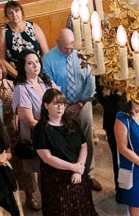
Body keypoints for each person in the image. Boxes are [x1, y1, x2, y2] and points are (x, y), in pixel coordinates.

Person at [34, 87, 100, 216]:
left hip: (77, 174)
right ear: (46, 105)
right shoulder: (41, 129)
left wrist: (79, 171)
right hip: (55, 178)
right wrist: (73, 168)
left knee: (79, 210)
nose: (60, 107)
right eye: (56, 104)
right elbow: (47, 157)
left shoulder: (72, 122)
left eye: (62, 103)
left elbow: (84, 146)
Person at [42, 27, 103, 192]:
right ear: (57, 43)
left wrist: (81, 104)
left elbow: (90, 81)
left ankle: (88, 174)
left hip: (83, 104)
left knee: (86, 140)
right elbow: (50, 85)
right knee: (66, 142)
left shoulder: (82, 53)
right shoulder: (48, 59)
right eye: (65, 48)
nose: (69, 50)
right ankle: (70, 172)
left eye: (71, 47)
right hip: (60, 107)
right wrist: (63, 106)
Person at [11, 50, 57, 210]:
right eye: (30, 63)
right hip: (37, 135)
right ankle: (47, 202)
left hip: (53, 132)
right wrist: (50, 128)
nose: (35, 65)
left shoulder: (46, 81)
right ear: (23, 67)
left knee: (53, 168)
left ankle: (54, 198)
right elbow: (27, 119)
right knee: (42, 170)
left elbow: (60, 99)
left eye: (36, 61)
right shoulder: (21, 88)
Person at [0, 0, 48, 79]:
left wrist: (38, 72)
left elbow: (46, 53)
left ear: (22, 13)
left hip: (38, 72)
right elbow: (1, 59)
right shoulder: (3, 31)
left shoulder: (33, 27)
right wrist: (19, 77)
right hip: (17, 75)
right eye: (10, 13)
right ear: (6, 16)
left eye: (17, 11)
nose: (14, 15)